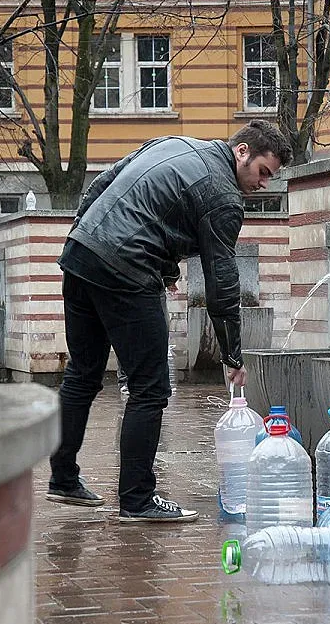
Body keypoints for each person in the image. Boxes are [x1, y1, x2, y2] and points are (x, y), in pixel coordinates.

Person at [46, 120, 293, 523]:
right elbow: (222, 280)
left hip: (81, 254)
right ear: (243, 151)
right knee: (150, 387)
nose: (263, 184)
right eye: (263, 172)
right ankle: (137, 499)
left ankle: (63, 477)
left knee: (84, 372)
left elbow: (103, 185)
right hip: (123, 269)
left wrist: (83, 235)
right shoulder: (224, 195)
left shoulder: (173, 143)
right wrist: (232, 354)